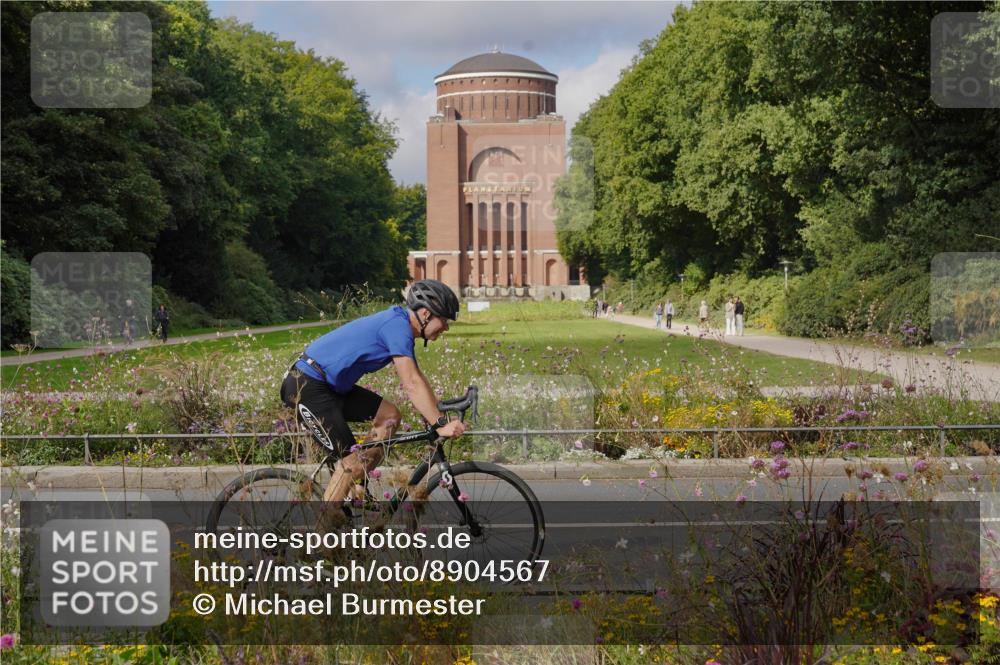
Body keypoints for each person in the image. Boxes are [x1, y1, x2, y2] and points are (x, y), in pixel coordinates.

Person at [280, 278, 467, 509]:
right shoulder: (397, 327)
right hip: (306, 386)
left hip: (331, 388)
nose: (446, 327)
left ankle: (356, 485)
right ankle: (320, 540)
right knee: (351, 464)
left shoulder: (400, 326)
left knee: (389, 416)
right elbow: (410, 383)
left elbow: (417, 377)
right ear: (426, 314)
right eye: (445, 319)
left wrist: (439, 412)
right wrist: (439, 424)